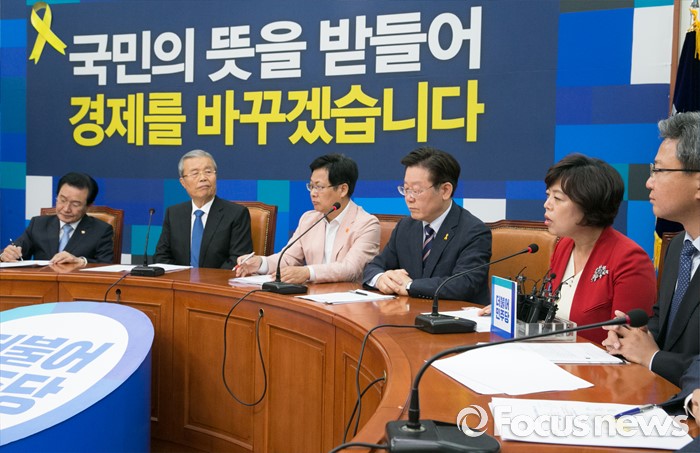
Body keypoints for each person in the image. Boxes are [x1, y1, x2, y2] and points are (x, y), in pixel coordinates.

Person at [478, 155, 657, 344]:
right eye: (548, 195)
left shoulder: (629, 260)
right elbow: (552, 314)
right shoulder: (564, 245)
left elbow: (629, 343)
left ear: (588, 205)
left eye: (557, 198)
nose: (547, 204)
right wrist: (516, 310)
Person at [603, 112, 700, 387]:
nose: (649, 182)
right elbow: (665, 323)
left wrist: (653, 357)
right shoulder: (679, 245)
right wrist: (631, 337)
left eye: (659, 171)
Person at [362, 146, 492, 304]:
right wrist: (381, 278)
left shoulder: (473, 232)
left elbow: (464, 284)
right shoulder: (406, 226)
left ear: (445, 190)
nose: (409, 198)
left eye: (417, 190)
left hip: (453, 316)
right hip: (409, 313)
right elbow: (374, 267)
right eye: (406, 189)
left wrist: (410, 286)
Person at [235, 153, 380, 283]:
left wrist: (307, 272)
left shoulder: (367, 224)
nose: (313, 193)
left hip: (347, 299)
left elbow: (350, 269)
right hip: (311, 296)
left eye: (319, 187)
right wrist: (260, 263)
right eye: (311, 186)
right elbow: (289, 258)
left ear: (343, 189)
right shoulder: (309, 219)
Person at [154, 149, 253, 269]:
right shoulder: (174, 213)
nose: (203, 178)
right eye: (195, 173)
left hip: (219, 280)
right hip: (180, 279)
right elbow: (161, 257)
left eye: (208, 172)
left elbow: (238, 259)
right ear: (183, 182)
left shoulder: (236, 214)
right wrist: (183, 277)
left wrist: (204, 278)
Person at [0, 172, 113, 265]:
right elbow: (17, 253)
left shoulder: (101, 230)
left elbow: (106, 265)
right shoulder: (38, 224)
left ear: (89, 206)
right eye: (62, 200)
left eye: (75, 204)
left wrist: (81, 261)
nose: (66, 209)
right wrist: (6, 255)